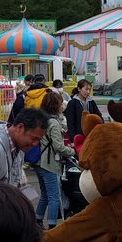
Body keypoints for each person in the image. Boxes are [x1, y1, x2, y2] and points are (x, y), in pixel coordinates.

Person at [34, 91, 76, 228]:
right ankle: (52, 226)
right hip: (49, 163)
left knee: (45, 194)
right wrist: (72, 151)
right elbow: (58, 146)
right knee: (54, 196)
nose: (62, 105)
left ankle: (38, 220)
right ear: (55, 106)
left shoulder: (41, 119)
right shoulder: (54, 123)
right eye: (60, 103)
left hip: (38, 162)